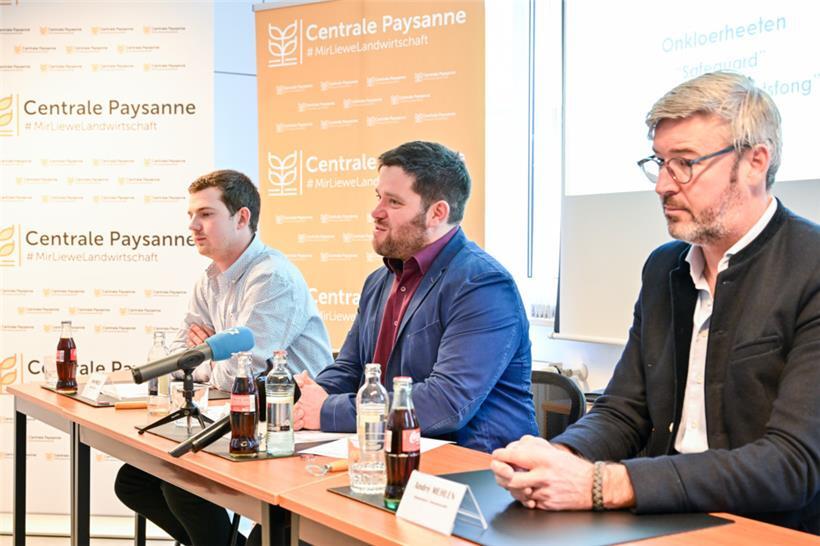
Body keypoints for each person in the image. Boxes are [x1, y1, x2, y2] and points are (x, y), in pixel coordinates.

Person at [491, 71, 820, 533]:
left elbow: (792, 464)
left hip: (768, 528)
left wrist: (604, 484)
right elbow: (624, 408)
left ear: (755, 162)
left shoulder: (812, 268)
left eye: (684, 163)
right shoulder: (664, 268)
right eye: (659, 162)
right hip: (663, 514)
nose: (663, 185)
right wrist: (559, 457)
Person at [114, 169, 333, 546]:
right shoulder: (210, 279)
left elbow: (238, 375)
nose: (193, 226)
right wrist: (207, 356)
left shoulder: (272, 278)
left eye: (206, 214)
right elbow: (179, 356)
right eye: (190, 216)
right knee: (134, 481)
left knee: (183, 486)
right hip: (239, 414)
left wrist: (205, 355)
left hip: (291, 423)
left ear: (242, 217)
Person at [294, 140, 539, 451]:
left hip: (472, 467)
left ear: (437, 213)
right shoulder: (379, 281)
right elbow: (351, 367)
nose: (376, 212)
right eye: (378, 197)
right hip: (389, 450)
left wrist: (328, 411)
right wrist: (305, 401)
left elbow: (445, 403)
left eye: (394, 202)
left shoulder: (482, 284)